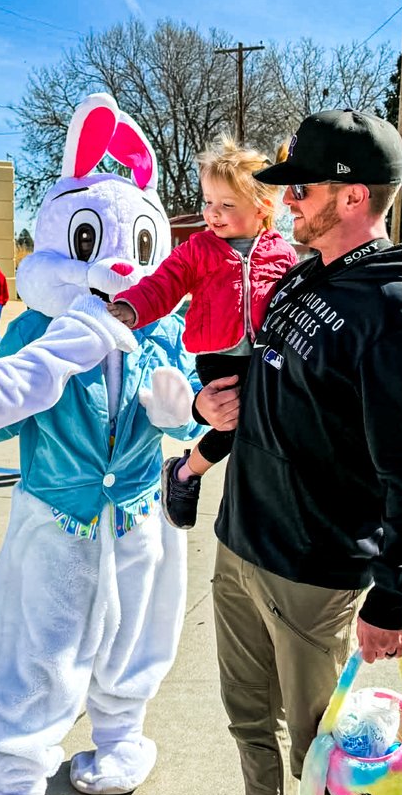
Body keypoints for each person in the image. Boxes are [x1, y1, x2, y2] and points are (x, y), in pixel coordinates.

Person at [180, 109, 402, 795]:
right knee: (247, 722)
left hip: (317, 574)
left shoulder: (393, 308)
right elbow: (267, 375)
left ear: (351, 194)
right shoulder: (306, 280)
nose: (283, 200)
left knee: (329, 754)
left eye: (297, 187)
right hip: (244, 544)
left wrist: (393, 596)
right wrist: (209, 401)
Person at [107, 137, 296, 528]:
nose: (213, 213)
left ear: (262, 208)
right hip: (218, 356)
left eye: (227, 205)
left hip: (264, 355)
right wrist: (132, 306)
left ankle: (246, 494)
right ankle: (184, 474)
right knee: (233, 422)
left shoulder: (282, 251)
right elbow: (164, 284)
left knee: (264, 424)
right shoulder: (199, 249)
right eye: (208, 202)